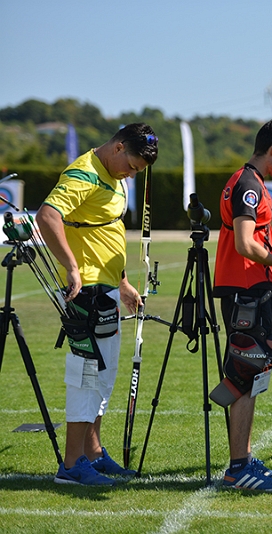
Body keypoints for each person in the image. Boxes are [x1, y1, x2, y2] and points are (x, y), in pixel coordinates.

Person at [37, 123, 159, 486]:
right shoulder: (83, 173)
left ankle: (92, 454)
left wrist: (122, 283)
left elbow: (105, 231)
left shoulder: (114, 176)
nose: (131, 174)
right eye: (131, 166)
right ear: (118, 147)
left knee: (103, 378)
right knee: (86, 378)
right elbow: (47, 216)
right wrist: (72, 267)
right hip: (86, 292)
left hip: (107, 290)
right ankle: (72, 465)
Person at [211, 118, 272, 492]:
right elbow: (245, 244)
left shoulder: (250, 182)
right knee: (245, 373)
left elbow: (258, 244)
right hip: (245, 293)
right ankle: (239, 468)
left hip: (254, 289)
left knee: (250, 373)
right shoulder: (248, 185)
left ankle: (244, 459)